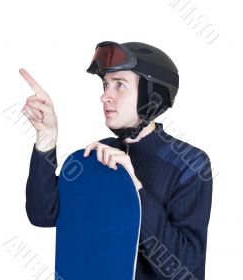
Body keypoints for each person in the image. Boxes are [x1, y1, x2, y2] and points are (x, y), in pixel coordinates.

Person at [20, 41, 213, 280]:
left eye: (120, 85)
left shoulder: (189, 164)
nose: (105, 97)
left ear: (152, 96)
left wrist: (134, 185)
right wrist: (46, 139)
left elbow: (184, 268)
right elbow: (42, 215)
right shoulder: (98, 155)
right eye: (105, 85)